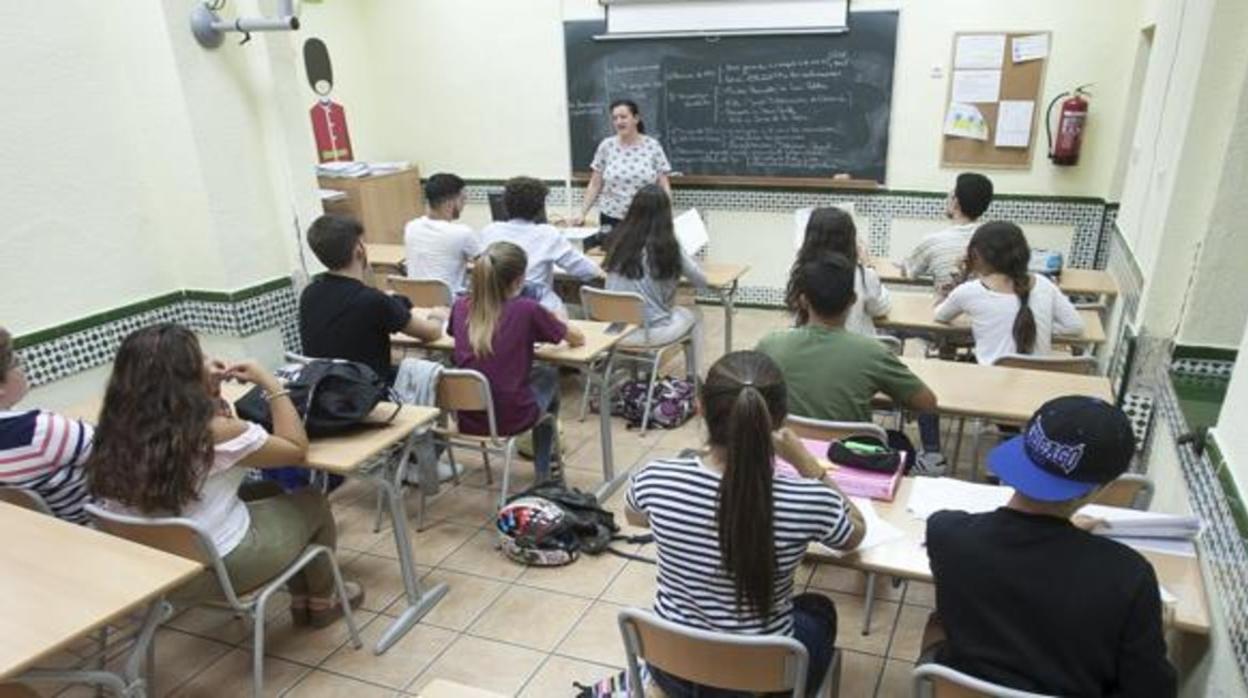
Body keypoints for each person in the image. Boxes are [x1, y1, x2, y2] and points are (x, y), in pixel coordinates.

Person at [86, 324, 363, 626]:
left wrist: (211, 397)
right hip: (216, 569)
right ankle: (323, 601)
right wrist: (271, 384)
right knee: (311, 501)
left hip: (156, 567)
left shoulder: (115, 426)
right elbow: (295, 449)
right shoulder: (210, 431)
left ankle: (302, 595)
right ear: (184, 378)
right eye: (201, 358)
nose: (212, 361)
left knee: (268, 489)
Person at [626, 351, 866, 697]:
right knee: (818, 610)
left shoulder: (655, 479)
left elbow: (634, 516)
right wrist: (807, 464)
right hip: (760, 683)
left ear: (700, 408)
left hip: (671, 670)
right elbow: (855, 533)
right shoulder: (810, 499)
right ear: (781, 420)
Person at [924, 396, 1177, 696]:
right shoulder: (1129, 576)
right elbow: (1151, 690)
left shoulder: (947, 534)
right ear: (1100, 487)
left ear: (1021, 452)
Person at [757, 254, 944, 472]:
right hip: (851, 462)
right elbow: (927, 403)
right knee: (900, 444)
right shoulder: (873, 353)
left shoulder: (770, 345)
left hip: (784, 458)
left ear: (803, 300)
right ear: (853, 300)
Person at [449, 241, 585, 483]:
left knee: (527, 376)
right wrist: (553, 319)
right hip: (511, 417)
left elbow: (455, 334)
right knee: (549, 376)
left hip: (467, 416)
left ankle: (547, 467)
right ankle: (545, 472)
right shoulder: (527, 309)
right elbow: (576, 338)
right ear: (520, 279)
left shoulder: (460, 306)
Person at [299, 214, 444, 384]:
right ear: (359, 250)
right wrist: (437, 316)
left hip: (323, 392)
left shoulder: (309, 293)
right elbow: (431, 333)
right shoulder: (373, 301)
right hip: (367, 396)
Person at [934, 221, 1084, 366]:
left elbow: (940, 316)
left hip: (991, 384)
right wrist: (1036, 326)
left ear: (976, 255)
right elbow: (1075, 326)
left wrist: (946, 291)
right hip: (1038, 384)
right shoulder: (1044, 283)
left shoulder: (969, 291)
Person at [603, 184, 706, 372]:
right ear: (665, 214)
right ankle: (695, 381)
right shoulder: (668, 245)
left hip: (614, 330)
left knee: (649, 308)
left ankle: (638, 375)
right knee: (695, 315)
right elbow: (701, 280)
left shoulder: (616, 240)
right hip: (649, 333)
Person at [0, 327, 93, 524]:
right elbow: (123, 452)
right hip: (96, 526)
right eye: (15, 361)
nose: (21, 367)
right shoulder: (37, 433)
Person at [481, 177, 602, 317]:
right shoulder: (547, 234)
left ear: (505, 204)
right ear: (540, 207)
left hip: (492, 311)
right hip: (540, 312)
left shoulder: (489, 231)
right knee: (579, 312)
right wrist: (601, 272)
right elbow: (584, 269)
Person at [788, 207, 890, 336]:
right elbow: (880, 308)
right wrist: (868, 266)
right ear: (850, 240)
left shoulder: (800, 272)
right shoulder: (862, 274)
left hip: (810, 348)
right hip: (855, 349)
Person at [573, 99, 673, 231]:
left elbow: (664, 185)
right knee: (611, 251)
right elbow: (595, 184)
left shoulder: (652, 146)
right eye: (615, 118)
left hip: (646, 217)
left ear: (636, 118)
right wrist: (582, 213)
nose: (619, 122)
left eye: (623, 117)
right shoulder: (606, 146)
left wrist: (668, 216)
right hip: (611, 216)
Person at [904, 173, 994, 295]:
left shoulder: (933, 242)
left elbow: (909, 273)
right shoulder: (994, 242)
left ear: (955, 202)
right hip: (983, 312)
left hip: (946, 311)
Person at [403, 172, 481, 294]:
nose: (464, 204)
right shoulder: (462, 233)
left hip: (415, 304)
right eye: (462, 199)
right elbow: (487, 266)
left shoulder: (411, 226)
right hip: (448, 306)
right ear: (449, 204)